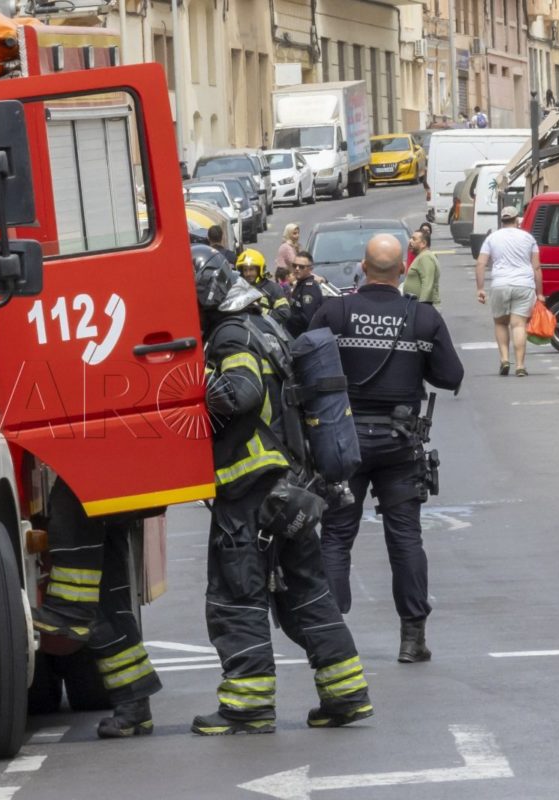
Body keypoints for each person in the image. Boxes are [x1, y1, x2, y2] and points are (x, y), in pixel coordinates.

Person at [191, 249, 373, 736]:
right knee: (306, 590)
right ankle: (346, 695)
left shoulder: (230, 335)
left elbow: (241, 393)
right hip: (291, 484)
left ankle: (247, 705)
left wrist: (192, 386)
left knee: (237, 593)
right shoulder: (266, 324)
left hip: (249, 487)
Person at [309, 234, 464, 663]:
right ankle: (412, 639)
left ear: (361, 267)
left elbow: (301, 365)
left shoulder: (334, 311)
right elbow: (450, 376)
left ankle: (332, 639)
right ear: (401, 271)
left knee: (337, 537)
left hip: (343, 442)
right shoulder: (423, 318)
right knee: (406, 539)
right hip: (400, 443)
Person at [31, 480, 162, 739]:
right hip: (120, 476)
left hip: (109, 473)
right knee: (107, 601)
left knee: (72, 499)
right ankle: (134, 705)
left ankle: (70, 610)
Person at [475, 206, 544, 376]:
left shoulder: (492, 238)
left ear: (502, 220)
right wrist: (540, 292)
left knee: (500, 323)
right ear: (517, 220)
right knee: (519, 324)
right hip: (524, 284)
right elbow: (536, 267)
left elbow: (481, 264)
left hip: (500, 284)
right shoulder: (528, 238)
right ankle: (520, 365)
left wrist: (480, 289)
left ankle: (504, 360)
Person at [238, 248, 292, 327]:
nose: (248, 273)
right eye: (245, 270)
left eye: (251, 269)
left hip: (266, 333)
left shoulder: (273, 288)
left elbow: (284, 313)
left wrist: (261, 311)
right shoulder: (238, 288)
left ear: (260, 270)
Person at [287, 250, 323, 336]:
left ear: (310, 269)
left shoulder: (309, 287)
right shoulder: (300, 284)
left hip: (304, 336)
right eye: (294, 265)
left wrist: (287, 316)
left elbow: (308, 318)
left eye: (301, 267)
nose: (297, 269)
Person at [404, 229, 440, 305]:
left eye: (414, 239)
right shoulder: (421, 256)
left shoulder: (425, 257)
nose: (410, 241)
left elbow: (427, 285)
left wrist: (422, 307)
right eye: (411, 238)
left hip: (425, 309)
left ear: (423, 243)